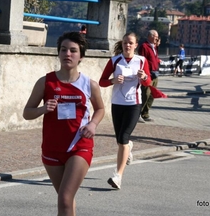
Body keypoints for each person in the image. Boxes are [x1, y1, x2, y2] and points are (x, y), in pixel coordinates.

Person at [23, 31, 105, 215]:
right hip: (52, 148)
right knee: (65, 199)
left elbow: (100, 109)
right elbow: (27, 113)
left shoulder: (89, 84)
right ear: (58, 53)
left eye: (73, 51)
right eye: (63, 50)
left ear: (81, 56)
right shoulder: (45, 82)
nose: (68, 54)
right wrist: (43, 109)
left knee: (65, 198)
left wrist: (93, 125)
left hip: (79, 146)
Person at [99, 32, 152, 189]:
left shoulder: (141, 61)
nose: (127, 45)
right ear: (122, 45)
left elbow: (148, 82)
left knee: (123, 137)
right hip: (117, 103)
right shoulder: (115, 61)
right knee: (120, 140)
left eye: (130, 43)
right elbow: (101, 82)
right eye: (125, 43)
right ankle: (129, 146)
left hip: (134, 103)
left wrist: (143, 77)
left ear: (136, 45)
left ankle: (118, 176)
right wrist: (113, 81)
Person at [138, 29, 160, 123]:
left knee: (152, 94)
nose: (157, 38)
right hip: (148, 74)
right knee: (145, 94)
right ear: (150, 36)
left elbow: (154, 58)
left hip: (155, 73)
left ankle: (145, 113)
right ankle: (138, 113)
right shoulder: (144, 46)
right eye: (156, 37)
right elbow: (142, 60)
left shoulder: (154, 47)